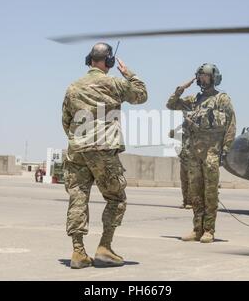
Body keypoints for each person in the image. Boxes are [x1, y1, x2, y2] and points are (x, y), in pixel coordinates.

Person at [62, 42, 147, 269]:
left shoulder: (73, 87)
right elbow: (141, 95)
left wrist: (80, 140)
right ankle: (104, 248)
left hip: (77, 150)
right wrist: (130, 74)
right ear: (108, 61)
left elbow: (66, 120)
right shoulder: (114, 84)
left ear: (89, 59)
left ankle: (78, 252)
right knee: (116, 198)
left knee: (78, 197)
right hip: (103, 149)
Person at [167, 63, 236, 244]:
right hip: (193, 154)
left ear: (213, 78)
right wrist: (181, 88)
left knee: (210, 192)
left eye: (205, 76)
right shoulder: (192, 100)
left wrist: (226, 150)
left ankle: (209, 230)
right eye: (200, 76)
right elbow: (171, 104)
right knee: (195, 192)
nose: (202, 79)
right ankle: (197, 229)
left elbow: (230, 126)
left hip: (211, 153)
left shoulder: (222, 99)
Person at [169, 123, 192, 209]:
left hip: (192, 163)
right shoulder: (182, 136)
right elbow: (171, 134)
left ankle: (190, 202)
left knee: (191, 183)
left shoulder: (196, 136)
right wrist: (180, 126)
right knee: (184, 183)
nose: (185, 130)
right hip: (183, 162)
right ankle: (185, 201)